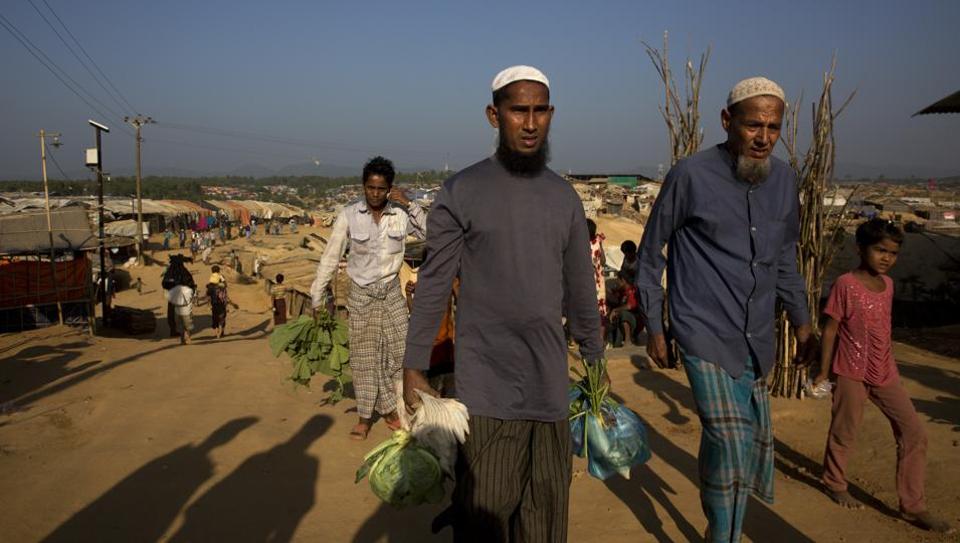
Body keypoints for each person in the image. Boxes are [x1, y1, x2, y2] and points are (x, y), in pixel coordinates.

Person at [403, 65, 603, 542]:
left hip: (550, 390)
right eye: (519, 111)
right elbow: (433, 283)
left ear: (551, 115)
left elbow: (580, 288)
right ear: (495, 116)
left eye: (539, 112)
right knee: (486, 516)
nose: (530, 123)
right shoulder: (462, 192)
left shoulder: (564, 197)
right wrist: (413, 367)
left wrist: (595, 358)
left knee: (545, 521)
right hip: (486, 389)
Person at [636, 76, 818, 542]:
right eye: (753, 125)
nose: (763, 138)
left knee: (732, 445)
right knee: (735, 442)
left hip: (756, 338)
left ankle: (720, 513)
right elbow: (651, 250)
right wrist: (655, 325)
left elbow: (782, 257)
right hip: (702, 330)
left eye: (773, 127)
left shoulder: (783, 182)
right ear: (727, 121)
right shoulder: (690, 175)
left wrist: (802, 324)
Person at [813, 219, 953, 533]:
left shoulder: (888, 285)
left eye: (893, 252)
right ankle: (834, 482)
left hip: (885, 371)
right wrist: (824, 371)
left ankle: (913, 504)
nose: (887, 258)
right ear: (860, 248)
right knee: (844, 430)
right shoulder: (846, 285)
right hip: (850, 371)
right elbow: (831, 329)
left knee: (913, 432)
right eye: (880, 250)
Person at [310, 155, 426, 440]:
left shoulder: (400, 215)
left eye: (381, 189)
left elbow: (430, 231)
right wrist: (317, 297)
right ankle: (365, 417)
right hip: (361, 296)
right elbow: (330, 256)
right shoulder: (348, 216)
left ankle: (392, 407)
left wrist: (410, 203)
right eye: (370, 188)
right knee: (363, 359)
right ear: (363, 187)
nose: (375, 194)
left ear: (390, 189)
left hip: (391, 295)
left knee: (400, 354)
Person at [163, 255, 196, 345]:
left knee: (174, 316)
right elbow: (191, 284)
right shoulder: (184, 272)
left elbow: (165, 284)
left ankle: (178, 334)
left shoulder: (169, 272)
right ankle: (187, 336)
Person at [587, 218, 608, 343]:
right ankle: (600, 340)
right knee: (601, 312)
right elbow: (604, 261)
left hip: (588, 283)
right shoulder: (598, 241)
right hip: (600, 284)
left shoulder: (582, 244)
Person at [206, 266, 230, 338]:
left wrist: (208, 303)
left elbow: (209, 292)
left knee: (215, 316)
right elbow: (225, 285)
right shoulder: (221, 276)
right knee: (222, 316)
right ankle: (222, 331)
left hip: (214, 302)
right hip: (222, 301)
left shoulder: (211, 277)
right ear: (219, 270)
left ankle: (217, 332)